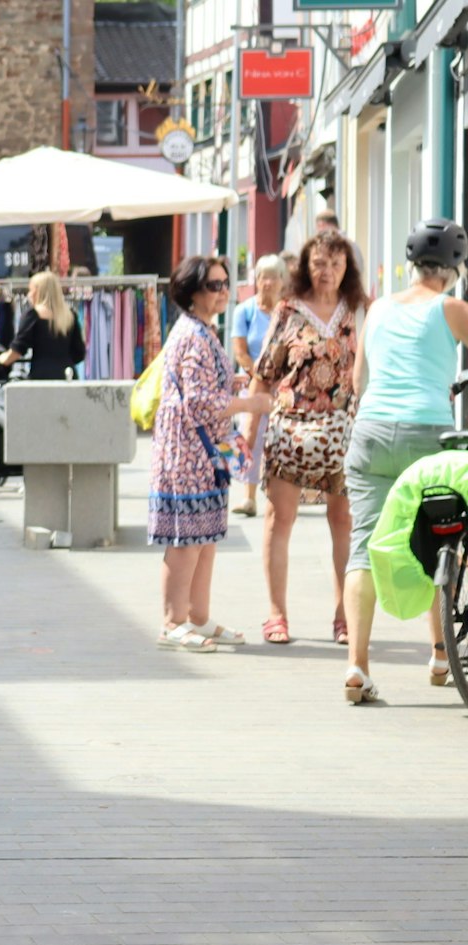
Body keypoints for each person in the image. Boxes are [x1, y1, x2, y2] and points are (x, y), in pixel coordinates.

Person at [341, 219, 468, 703]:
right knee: (443, 536)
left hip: (372, 433)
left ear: (412, 265)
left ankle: (357, 667)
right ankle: (440, 653)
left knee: (362, 546)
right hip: (427, 436)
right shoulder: (451, 308)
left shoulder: (376, 309)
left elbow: (358, 382)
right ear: (454, 269)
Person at [150, 255, 274, 652]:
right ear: (192, 292)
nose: (223, 291)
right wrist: (251, 404)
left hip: (203, 451)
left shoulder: (202, 330)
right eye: (213, 285)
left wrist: (234, 381)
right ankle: (173, 622)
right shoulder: (194, 334)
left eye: (225, 284)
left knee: (204, 536)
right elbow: (199, 403)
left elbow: (203, 388)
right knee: (187, 538)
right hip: (189, 451)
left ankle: (197, 616)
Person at [251, 232, 367, 646]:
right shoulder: (288, 310)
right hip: (290, 433)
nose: (327, 271)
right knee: (279, 519)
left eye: (336, 263)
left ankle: (344, 615)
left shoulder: (359, 310)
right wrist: (247, 436)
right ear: (305, 266)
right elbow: (264, 375)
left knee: (343, 522)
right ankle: (276, 614)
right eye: (319, 263)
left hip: (343, 435)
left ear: (347, 268)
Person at [229, 255, 289, 518]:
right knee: (250, 439)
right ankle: (249, 497)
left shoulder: (288, 311)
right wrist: (261, 376)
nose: (267, 283)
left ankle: (280, 497)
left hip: (284, 387)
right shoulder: (244, 311)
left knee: (282, 440)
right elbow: (240, 352)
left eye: (273, 277)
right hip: (254, 385)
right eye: (263, 277)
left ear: (282, 281)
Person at [0, 271, 86, 380]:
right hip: (67, 375)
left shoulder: (33, 315)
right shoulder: (70, 315)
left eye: (31, 290)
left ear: (38, 291)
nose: (29, 295)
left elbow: (18, 350)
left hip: (41, 377)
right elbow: (79, 353)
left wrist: (0, 360)